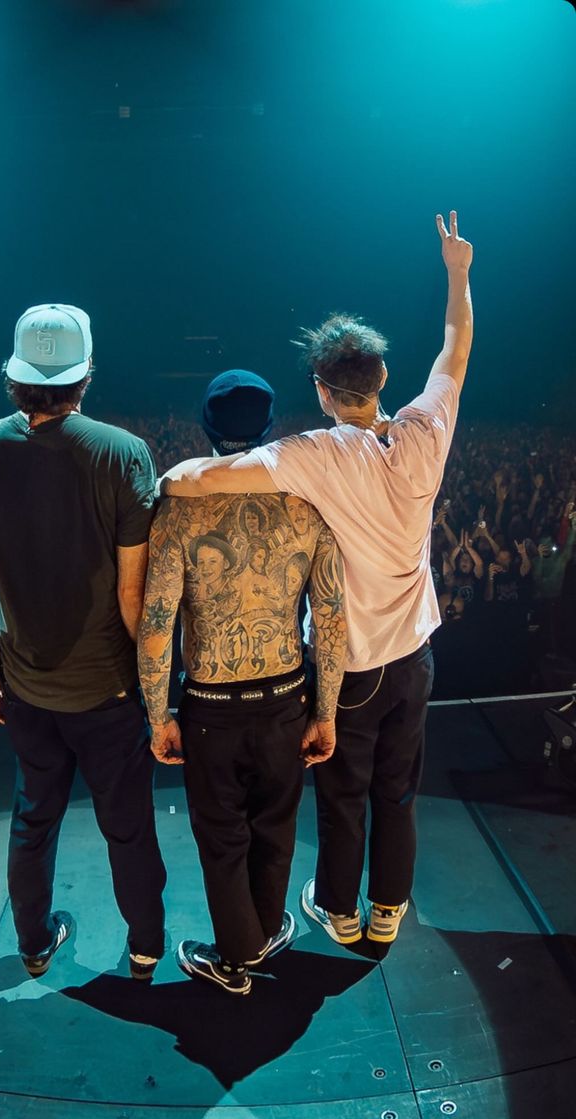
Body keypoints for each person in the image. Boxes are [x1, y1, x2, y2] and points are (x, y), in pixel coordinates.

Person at [162, 212, 473, 948]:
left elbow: (212, 477)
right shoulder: (429, 427)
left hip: (355, 666)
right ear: (383, 379)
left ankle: (338, 907)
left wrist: (168, 478)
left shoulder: (313, 453)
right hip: (417, 654)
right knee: (399, 789)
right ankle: (389, 906)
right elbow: (455, 346)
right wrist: (458, 272)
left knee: (344, 794)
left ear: (323, 390)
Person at [0, 303, 167, 981]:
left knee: (32, 820)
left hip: (27, 688)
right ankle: (146, 946)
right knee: (126, 824)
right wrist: (156, 695)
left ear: (15, 376)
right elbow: (134, 596)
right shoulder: (123, 453)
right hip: (109, 690)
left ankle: (35, 943)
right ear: (86, 373)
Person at [138, 370, 347, 995]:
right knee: (275, 827)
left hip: (210, 707)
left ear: (207, 429)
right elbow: (330, 618)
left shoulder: (181, 506)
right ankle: (257, 934)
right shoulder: (308, 506)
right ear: (269, 427)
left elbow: (157, 625)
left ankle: (237, 958)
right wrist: (327, 711)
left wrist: (157, 713)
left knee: (222, 837)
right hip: (286, 698)